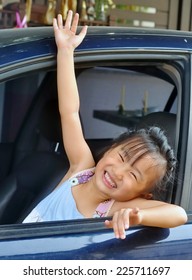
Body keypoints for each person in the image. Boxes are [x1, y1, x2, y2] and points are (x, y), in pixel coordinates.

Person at [23, 11, 187, 239]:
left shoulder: (113, 208)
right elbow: (69, 112)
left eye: (134, 175)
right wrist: (66, 51)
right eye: (121, 157)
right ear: (111, 148)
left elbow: (178, 215)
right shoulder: (81, 168)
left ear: (143, 195)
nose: (119, 173)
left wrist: (137, 216)